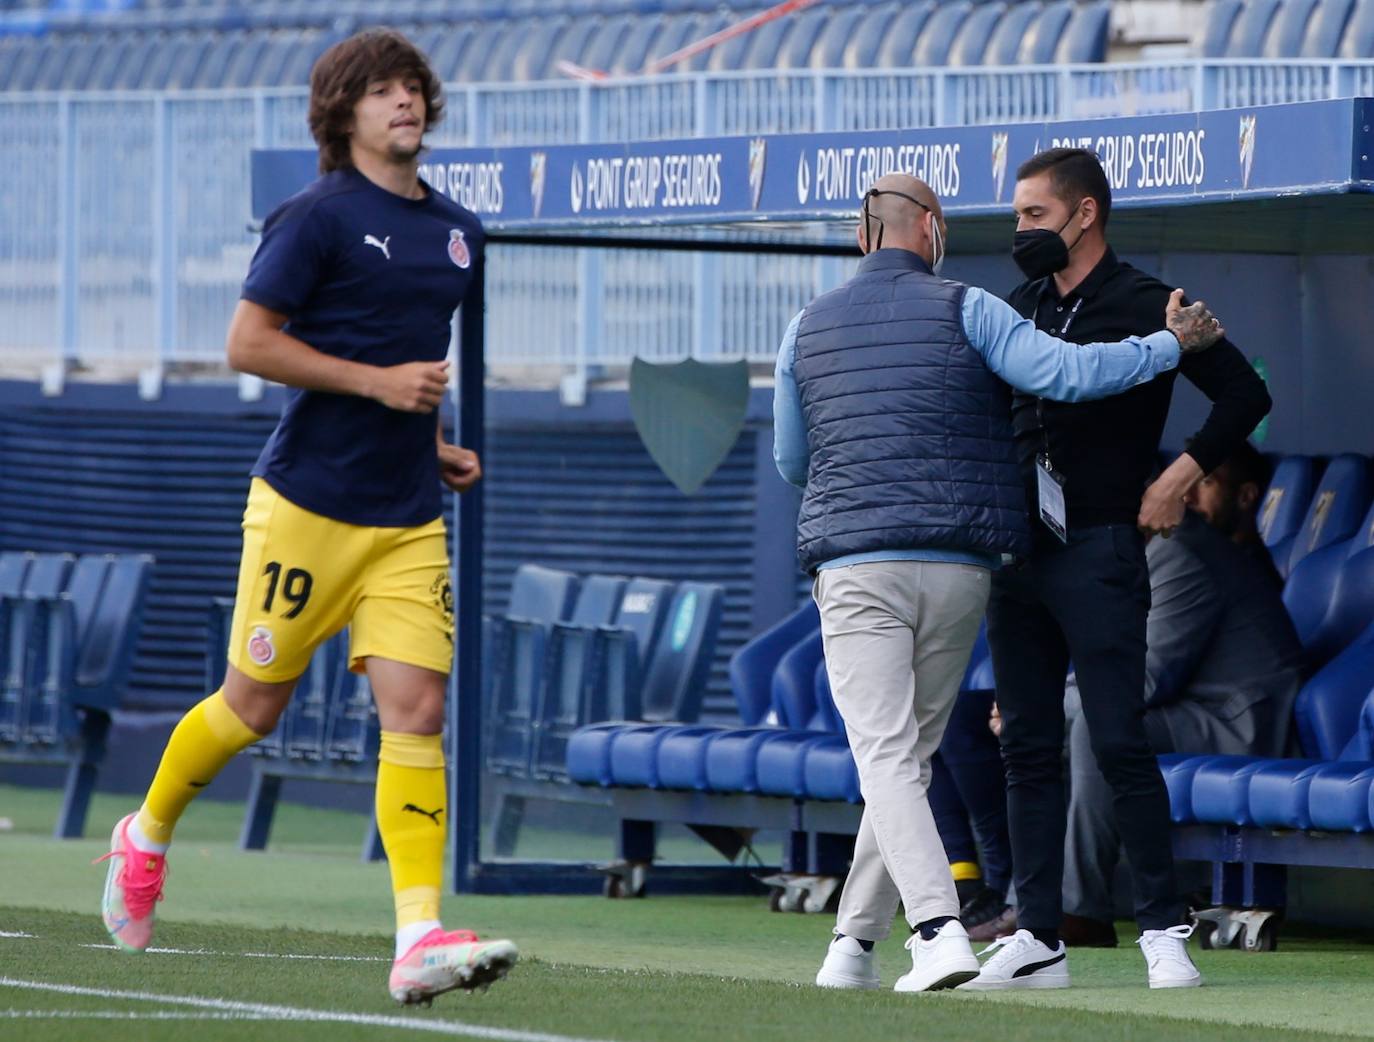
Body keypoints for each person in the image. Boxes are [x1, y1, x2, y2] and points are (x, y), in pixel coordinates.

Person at [96, 29, 518, 1005]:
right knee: (253, 707)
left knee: (417, 712)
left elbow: (407, 356)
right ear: (343, 112)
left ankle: (417, 935)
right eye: (380, 90)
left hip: (407, 517)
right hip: (304, 508)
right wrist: (378, 387)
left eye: (412, 86)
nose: (403, 101)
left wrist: (431, 437)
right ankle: (144, 834)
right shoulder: (315, 217)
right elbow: (248, 341)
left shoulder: (459, 232)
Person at [771, 172, 1224, 994]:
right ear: (932, 229)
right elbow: (1070, 374)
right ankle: (854, 944)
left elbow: (791, 462)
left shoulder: (805, 326)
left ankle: (940, 930)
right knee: (915, 757)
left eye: (1031, 212)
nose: (1019, 227)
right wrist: (1166, 347)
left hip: (869, 563)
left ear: (862, 235)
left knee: (891, 755)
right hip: (963, 565)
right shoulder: (973, 306)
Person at [972, 148, 1271, 992]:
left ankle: (1163, 931)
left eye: (1034, 214)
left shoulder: (1153, 303)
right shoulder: (1017, 305)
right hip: (1017, 552)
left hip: (1102, 544)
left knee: (1115, 742)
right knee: (1025, 746)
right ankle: (1037, 936)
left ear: (1085, 213)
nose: (1021, 231)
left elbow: (1247, 393)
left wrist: (1179, 475)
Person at [1061, 443, 1304, 946]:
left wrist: (1045, 704)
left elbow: (1144, 679)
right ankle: (1006, 892)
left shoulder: (1185, 546)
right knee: (1015, 722)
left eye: (1201, 482)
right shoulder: (1166, 545)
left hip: (1236, 724)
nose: (1185, 495)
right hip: (1196, 707)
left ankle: (1078, 909)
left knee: (1094, 719)